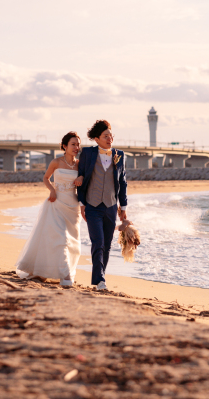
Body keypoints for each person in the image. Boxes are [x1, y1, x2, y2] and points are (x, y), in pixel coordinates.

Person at [15, 132, 82, 286]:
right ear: (65, 146)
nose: (76, 147)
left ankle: (67, 270)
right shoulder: (56, 162)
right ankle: (65, 276)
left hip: (73, 206)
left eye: (78, 144)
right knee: (60, 238)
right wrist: (52, 190)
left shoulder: (80, 164)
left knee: (72, 241)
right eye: (73, 144)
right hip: (56, 203)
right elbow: (46, 178)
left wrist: (81, 178)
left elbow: (86, 178)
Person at [77, 119, 133, 291]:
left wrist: (123, 207)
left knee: (107, 245)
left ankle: (100, 277)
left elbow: (122, 182)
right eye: (106, 136)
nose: (109, 139)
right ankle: (100, 280)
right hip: (93, 205)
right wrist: (81, 202)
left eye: (111, 135)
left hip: (110, 206)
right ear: (97, 139)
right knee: (98, 242)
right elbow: (81, 177)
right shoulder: (87, 153)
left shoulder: (119, 155)